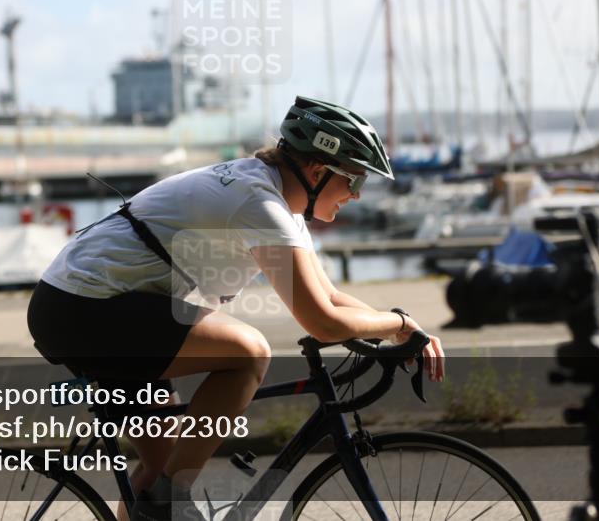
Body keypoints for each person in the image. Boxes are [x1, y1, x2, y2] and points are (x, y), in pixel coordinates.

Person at [27, 95, 446, 521]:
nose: (357, 196)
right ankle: (170, 502)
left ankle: (163, 500)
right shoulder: (259, 203)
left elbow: (331, 297)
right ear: (319, 171)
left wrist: (401, 329)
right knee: (249, 353)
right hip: (84, 308)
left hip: (94, 307)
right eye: (355, 182)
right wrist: (395, 323)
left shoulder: (278, 201)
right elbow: (322, 321)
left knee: (161, 472)